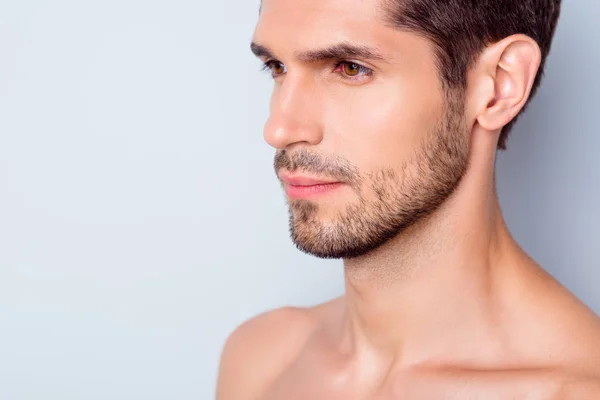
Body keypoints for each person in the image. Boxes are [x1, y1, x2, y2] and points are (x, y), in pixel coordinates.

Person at [217, 0, 600, 398]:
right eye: (276, 67)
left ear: (499, 86)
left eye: (350, 68)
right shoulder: (260, 360)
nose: (279, 129)